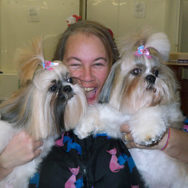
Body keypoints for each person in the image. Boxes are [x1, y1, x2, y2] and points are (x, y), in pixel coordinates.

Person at [0, 20, 187, 186]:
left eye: (98, 64)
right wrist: (4, 164)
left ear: (115, 69)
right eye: (75, 64)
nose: (87, 77)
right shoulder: (33, 121)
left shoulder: (146, 110)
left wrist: (163, 139)